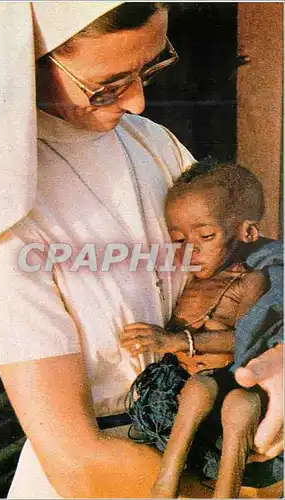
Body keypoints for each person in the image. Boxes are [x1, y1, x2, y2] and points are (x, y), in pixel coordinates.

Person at [0, 3, 283, 498]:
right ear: (29, 63)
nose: (139, 102)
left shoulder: (154, 146)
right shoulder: (0, 221)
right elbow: (78, 462)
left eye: (151, 66)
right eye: (108, 85)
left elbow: (253, 277)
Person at [120, 160, 283, 498]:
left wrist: (176, 340)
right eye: (179, 240)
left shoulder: (249, 280)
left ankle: (228, 491)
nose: (190, 251)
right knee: (197, 390)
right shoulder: (193, 280)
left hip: (235, 379)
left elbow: (246, 338)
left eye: (206, 236)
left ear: (247, 233)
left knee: (242, 405)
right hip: (193, 384)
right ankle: (166, 480)